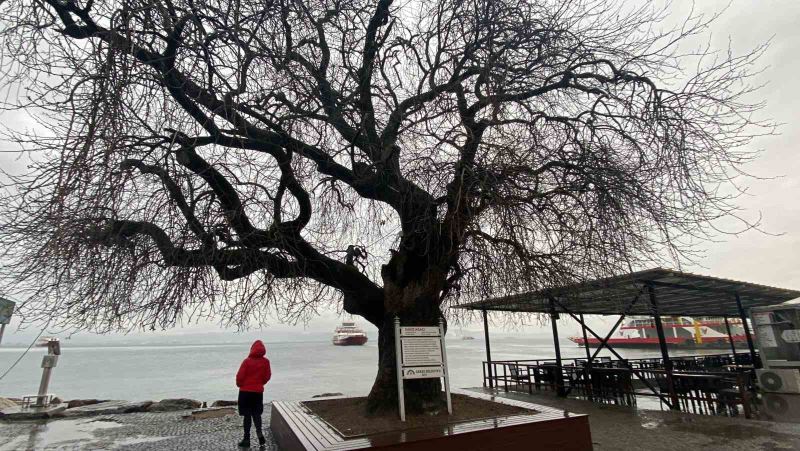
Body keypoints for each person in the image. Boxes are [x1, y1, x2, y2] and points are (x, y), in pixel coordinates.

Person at [236, 340, 272, 448]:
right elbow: (267, 376)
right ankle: (260, 435)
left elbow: (240, 377)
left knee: (247, 416)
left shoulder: (247, 361)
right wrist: (261, 383)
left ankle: (246, 439)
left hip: (245, 392)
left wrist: (240, 385)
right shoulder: (266, 362)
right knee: (257, 414)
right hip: (258, 392)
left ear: (252, 349)